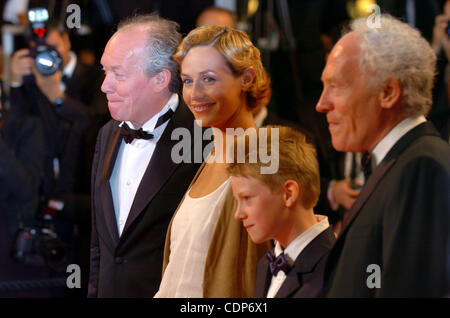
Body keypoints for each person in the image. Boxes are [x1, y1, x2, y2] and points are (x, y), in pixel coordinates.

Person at [316, 14, 450, 297]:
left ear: (388, 92)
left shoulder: (421, 167)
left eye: (336, 86)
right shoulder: (400, 161)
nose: (321, 104)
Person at [89, 14, 201, 297]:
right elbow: (98, 246)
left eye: (119, 74)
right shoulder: (106, 134)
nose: (105, 86)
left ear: (160, 79)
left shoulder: (203, 138)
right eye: (105, 72)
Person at [155, 25, 272, 298]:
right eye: (187, 80)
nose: (194, 93)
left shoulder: (262, 163)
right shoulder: (208, 157)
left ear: (246, 78)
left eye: (208, 79)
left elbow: (261, 279)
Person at [227, 125, 335, 298]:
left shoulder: (336, 267)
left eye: (247, 198)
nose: (238, 214)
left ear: (289, 193)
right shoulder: (265, 265)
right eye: (237, 200)